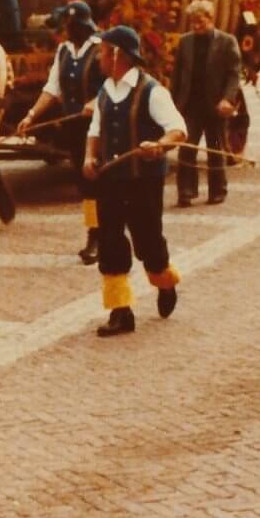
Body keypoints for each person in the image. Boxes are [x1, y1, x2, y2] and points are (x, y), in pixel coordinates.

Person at [83, 26, 187, 337]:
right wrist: (90, 157)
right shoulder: (105, 90)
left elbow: (179, 130)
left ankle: (165, 282)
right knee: (110, 243)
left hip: (143, 183)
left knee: (150, 245)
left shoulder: (152, 91)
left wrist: (159, 145)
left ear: (118, 55)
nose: (99, 58)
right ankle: (120, 312)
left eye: (102, 52)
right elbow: (95, 131)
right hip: (111, 182)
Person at [16, 0, 103, 264]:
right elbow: (53, 89)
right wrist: (31, 115)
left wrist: (97, 101)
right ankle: (95, 232)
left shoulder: (102, 48)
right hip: (75, 127)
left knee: (101, 181)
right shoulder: (63, 51)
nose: (68, 30)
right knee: (85, 184)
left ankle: (105, 234)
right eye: (67, 25)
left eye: (72, 25)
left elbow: (118, 83)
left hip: (102, 128)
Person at [170, 0, 242, 206]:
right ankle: (186, 191)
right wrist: (172, 103)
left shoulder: (227, 42)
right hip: (190, 106)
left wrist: (228, 99)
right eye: (193, 22)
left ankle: (218, 190)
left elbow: (234, 74)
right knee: (186, 148)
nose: (196, 26)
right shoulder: (185, 43)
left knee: (216, 148)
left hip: (215, 106)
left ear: (211, 19)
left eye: (200, 22)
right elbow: (177, 76)